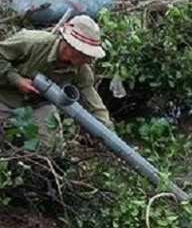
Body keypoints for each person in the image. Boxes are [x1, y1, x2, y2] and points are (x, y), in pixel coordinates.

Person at [0, 15, 114, 149]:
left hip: (39, 104)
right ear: (71, 47)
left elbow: (92, 100)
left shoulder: (81, 70)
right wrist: (16, 80)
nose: (89, 60)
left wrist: (109, 133)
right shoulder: (32, 43)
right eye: (86, 55)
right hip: (4, 96)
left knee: (52, 148)